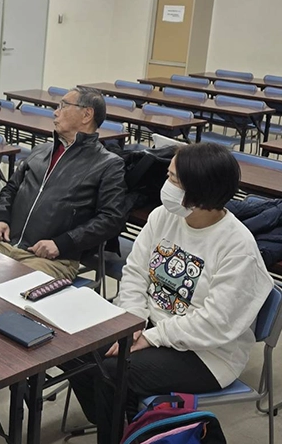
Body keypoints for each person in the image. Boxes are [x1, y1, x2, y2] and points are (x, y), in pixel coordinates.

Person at [69, 143, 273, 444]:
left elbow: (214, 323)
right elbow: (136, 272)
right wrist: (133, 322)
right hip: (152, 327)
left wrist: (151, 337)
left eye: (174, 179)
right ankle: (130, 427)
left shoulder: (237, 248)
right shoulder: (163, 216)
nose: (166, 185)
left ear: (200, 189)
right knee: (73, 348)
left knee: (113, 371)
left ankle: (123, 427)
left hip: (208, 354)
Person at [0, 86, 127, 279]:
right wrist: (1, 217)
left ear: (87, 115)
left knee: (4, 291)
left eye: (63, 106)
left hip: (51, 258)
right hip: (5, 244)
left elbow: (111, 219)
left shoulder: (107, 164)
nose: (55, 112)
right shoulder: (42, 151)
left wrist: (62, 243)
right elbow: (11, 188)